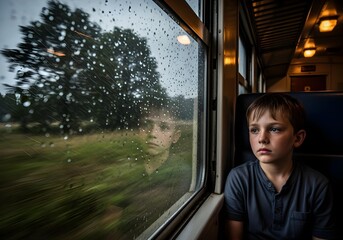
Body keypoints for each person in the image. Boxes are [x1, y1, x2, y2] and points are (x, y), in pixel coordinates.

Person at [224, 93, 336, 240]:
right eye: (254, 130)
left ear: (297, 138)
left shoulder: (317, 185)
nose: (262, 139)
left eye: (274, 129)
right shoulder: (238, 179)